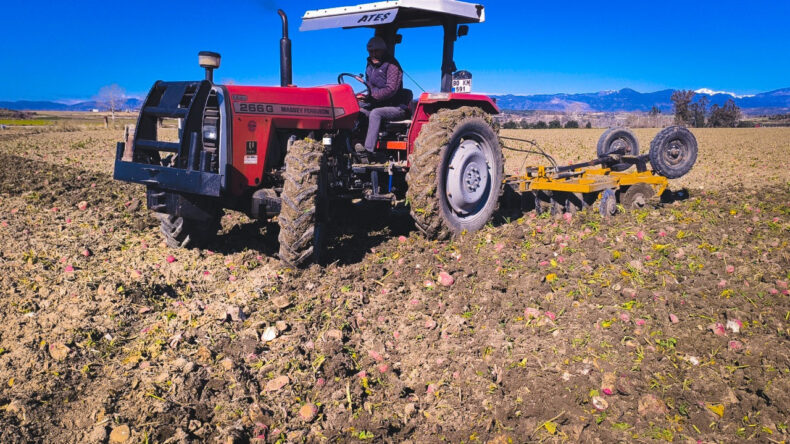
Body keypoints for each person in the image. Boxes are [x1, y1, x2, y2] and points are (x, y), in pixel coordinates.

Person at [355, 36, 411, 160]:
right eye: (371, 52)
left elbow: (391, 89)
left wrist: (372, 96)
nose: (373, 54)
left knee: (375, 113)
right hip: (378, 103)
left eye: (376, 51)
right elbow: (371, 87)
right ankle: (353, 143)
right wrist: (364, 93)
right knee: (356, 108)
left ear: (383, 50)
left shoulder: (392, 65)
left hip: (396, 107)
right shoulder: (370, 66)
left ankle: (368, 151)